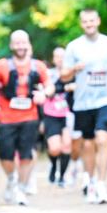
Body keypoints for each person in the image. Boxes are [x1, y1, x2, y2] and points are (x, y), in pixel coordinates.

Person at [60, 8, 107, 204]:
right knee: (88, 143)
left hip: (106, 99)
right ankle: (89, 179)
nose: (89, 24)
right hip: (83, 101)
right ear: (81, 24)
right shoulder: (73, 47)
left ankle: (102, 185)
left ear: (98, 21)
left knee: (102, 139)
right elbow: (63, 76)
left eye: (92, 21)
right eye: (85, 22)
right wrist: (73, 69)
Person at [0, 30, 50, 206]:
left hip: (30, 117)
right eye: (17, 43)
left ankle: (21, 187)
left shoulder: (38, 66)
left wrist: (43, 94)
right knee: (5, 155)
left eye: (23, 43)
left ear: (28, 44)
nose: (20, 46)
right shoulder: (2, 65)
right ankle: (12, 179)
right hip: (6, 118)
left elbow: (49, 86)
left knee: (26, 154)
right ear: (11, 45)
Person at [42, 47, 72, 186]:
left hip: (68, 114)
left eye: (62, 56)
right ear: (53, 59)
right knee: (55, 148)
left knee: (66, 147)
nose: (60, 59)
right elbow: (47, 91)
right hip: (51, 114)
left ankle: (62, 176)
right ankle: (54, 166)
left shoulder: (73, 74)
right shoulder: (48, 75)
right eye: (57, 56)